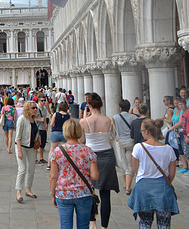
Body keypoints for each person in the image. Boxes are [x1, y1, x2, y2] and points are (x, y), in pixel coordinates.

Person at [127, 118, 179, 228]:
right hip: (162, 186)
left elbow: (135, 168)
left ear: (147, 132)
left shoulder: (138, 147)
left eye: (142, 131)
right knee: (164, 223)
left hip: (144, 186)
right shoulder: (168, 149)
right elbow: (172, 173)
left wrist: (142, 175)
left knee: (145, 222)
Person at [49, 119, 99, 229]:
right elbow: (95, 176)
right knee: (83, 225)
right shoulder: (88, 151)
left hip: (64, 192)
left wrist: (53, 194)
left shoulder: (57, 152)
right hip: (84, 192)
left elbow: (53, 176)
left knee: (66, 225)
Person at [81, 92, 119, 229]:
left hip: (90, 156)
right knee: (105, 194)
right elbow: (112, 137)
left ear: (89, 105)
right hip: (107, 156)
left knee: (90, 191)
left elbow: (82, 141)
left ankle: (92, 222)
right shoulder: (110, 120)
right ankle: (104, 226)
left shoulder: (84, 122)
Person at [15, 100, 40, 203]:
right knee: (22, 169)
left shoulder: (34, 120)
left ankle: (28, 189)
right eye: (33, 108)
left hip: (31, 147)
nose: (35, 109)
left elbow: (35, 133)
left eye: (35, 108)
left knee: (31, 169)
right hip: (22, 146)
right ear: (27, 109)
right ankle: (18, 192)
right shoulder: (22, 119)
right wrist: (19, 151)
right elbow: (18, 137)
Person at [113, 99, 137, 194]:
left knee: (122, 163)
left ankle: (125, 183)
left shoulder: (115, 117)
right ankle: (128, 186)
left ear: (120, 108)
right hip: (131, 141)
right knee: (130, 164)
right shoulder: (134, 117)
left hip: (120, 142)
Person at [48, 102, 71, 169]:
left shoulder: (56, 114)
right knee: (64, 150)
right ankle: (63, 164)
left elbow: (51, 124)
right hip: (64, 133)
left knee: (52, 149)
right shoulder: (68, 116)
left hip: (55, 132)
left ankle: (49, 164)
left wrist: (52, 129)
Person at [170, 97, 188, 173]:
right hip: (180, 132)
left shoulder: (186, 112)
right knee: (181, 150)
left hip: (185, 134)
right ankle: (185, 167)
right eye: (178, 104)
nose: (179, 106)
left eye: (181, 104)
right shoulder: (180, 112)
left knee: (186, 151)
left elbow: (182, 123)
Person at [36, 94, 50, 164]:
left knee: (43, 144)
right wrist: (40, 120)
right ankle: (35, 159)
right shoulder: (36, 109)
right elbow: (33, 119)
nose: (43, 102)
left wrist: (46, 124)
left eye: (44, 100)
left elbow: (46, 118)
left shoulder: (44, 109)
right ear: (39, 101)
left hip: (43, 128)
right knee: (37, 143)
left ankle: (41, 158)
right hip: (38, 128)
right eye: (42, 100)